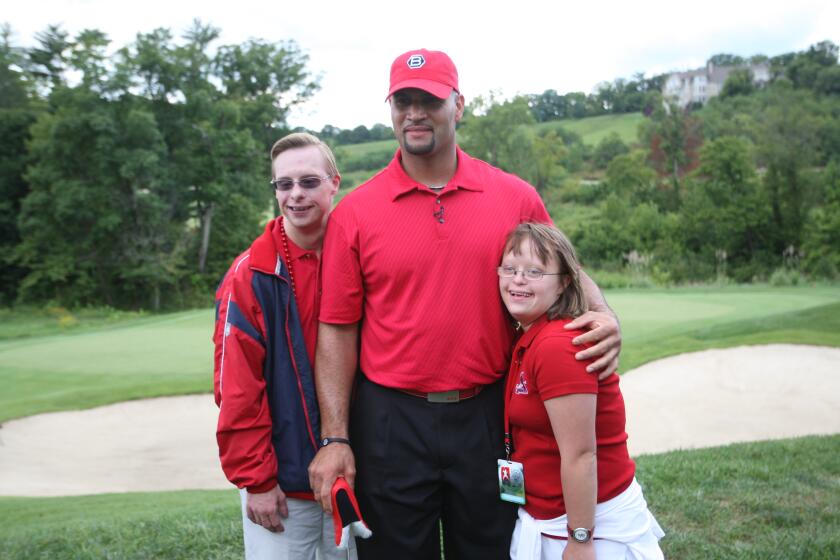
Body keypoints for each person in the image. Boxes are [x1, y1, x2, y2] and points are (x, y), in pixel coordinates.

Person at [308, 49, 622, 559]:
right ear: (391, 109)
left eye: (429, 100)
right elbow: (338, 329)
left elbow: (566, 269)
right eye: (403, 100)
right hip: (390, 421)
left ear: (458, 105)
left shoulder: (512, 194)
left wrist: (604, 314)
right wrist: (335, 438)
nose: (415, 112)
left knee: (489, 551)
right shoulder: (355, 213)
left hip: (488, 415)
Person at [213, 132, 356, 559]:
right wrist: (256, 480)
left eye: (309, 182)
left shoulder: (360, 256)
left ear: (335, 183)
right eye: (284, 184)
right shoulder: (249, 274)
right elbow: (236, 388)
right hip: (280, 486)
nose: (295, 195)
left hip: (352, 474)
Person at [499, 223, 664, 560]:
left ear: (564, 283)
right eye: (510, 268)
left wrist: (581, 539)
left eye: (534, 271)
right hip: (550, 518)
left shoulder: (557, 344)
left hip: (588, 526)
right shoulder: (531, 336)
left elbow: (581, 455)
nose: (518, 279)